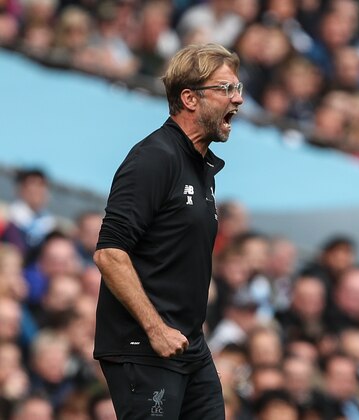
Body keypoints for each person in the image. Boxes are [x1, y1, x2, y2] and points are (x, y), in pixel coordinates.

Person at [92, 42, 244, 419]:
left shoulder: (200, 165)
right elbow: (110, 253)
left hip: (188, 345)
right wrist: (155, 329)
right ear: (189, 98)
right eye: (225, 89)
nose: (237, 99)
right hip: (146, 346)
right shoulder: (155, 158)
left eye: (238, 88)